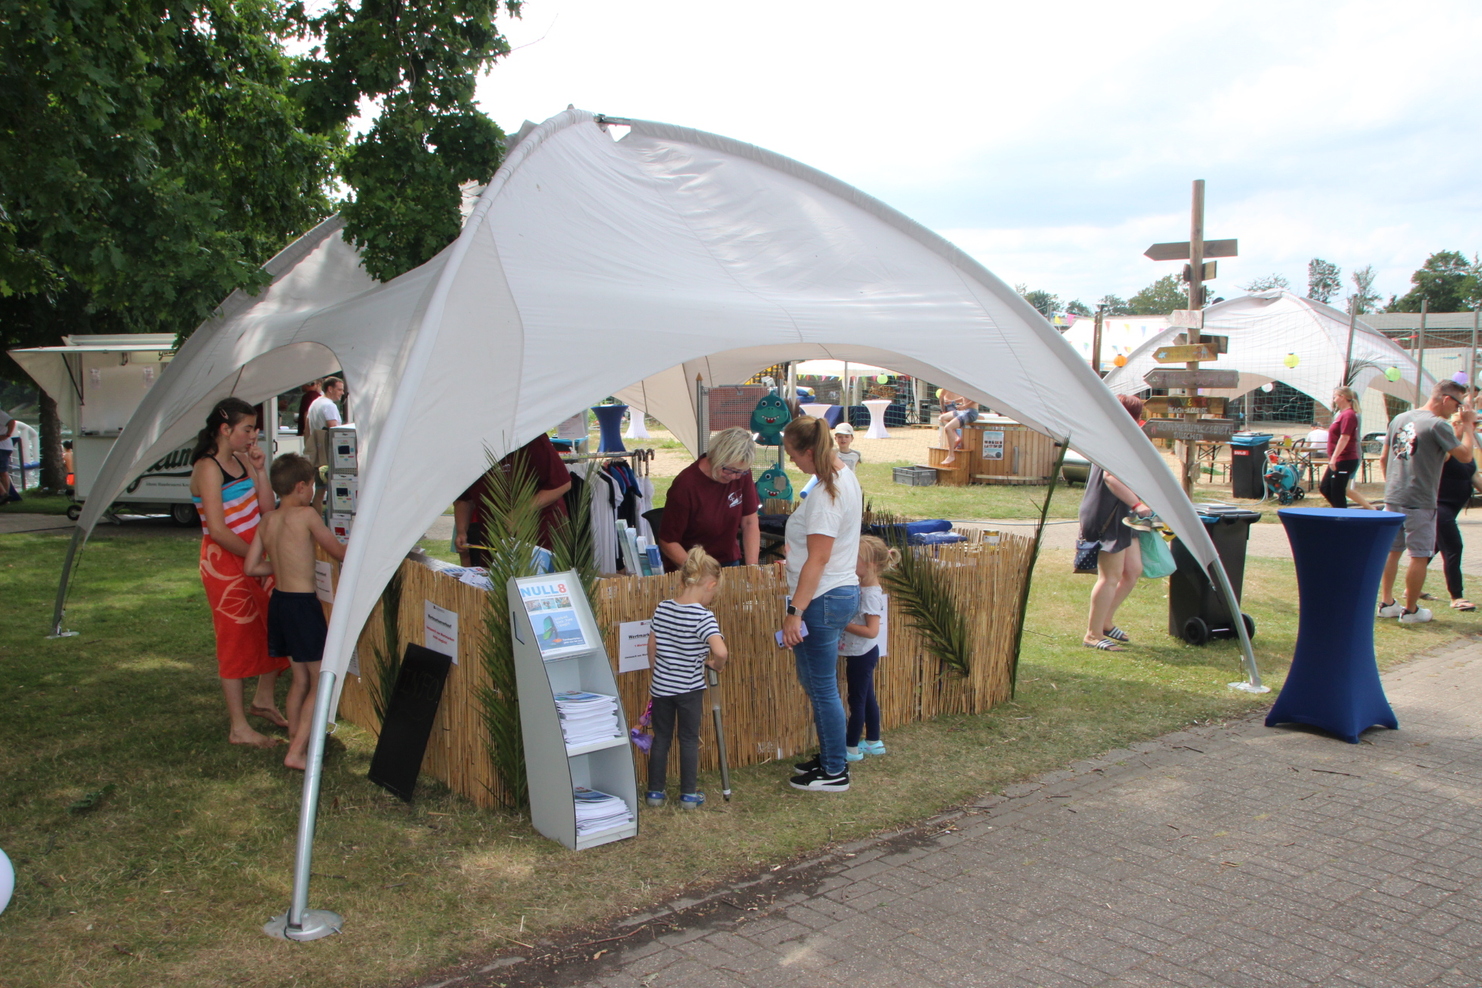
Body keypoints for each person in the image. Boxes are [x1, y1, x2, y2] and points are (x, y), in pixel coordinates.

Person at [188, 397, 289, 747]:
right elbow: (217, 530)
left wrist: (260, 471)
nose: (253, 435)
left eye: (255, 429)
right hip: (228, 562)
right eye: (247, 429)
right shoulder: (208, 468)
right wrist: (257, 559)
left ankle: (263, 700)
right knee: (234, 637)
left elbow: (265, 509)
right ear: (225, 429)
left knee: (272, 626)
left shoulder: (243, 460)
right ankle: (238, 727)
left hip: (253, 554)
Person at [243, 454, 348, 769]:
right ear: (302, 487)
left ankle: (295, 737)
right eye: (313, 487)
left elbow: (250, 567)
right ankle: (297, 751)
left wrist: (277, 565)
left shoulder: (268, 520)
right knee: (318, 681)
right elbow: (338, 550)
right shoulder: (306, 516)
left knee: (299, 679)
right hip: (303, 605)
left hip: (280, 603)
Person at [781, 416, 862, 792]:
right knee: (817, 683)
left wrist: (794, 612)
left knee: (822, 686)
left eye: (794, 456)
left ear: (810, 452)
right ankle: (832, 754)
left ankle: (834, 771)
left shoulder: (826, 495)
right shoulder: (842, 475)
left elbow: (819, 558)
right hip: (838, 592)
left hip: (822, 597)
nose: (793, 463)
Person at [1378, 380, 1476, 624]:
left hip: (1393, 497)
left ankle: (1386, 602)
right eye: (1458, 403)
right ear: (1446, 399)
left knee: (1392, 552)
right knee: (1419, 555)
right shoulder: (1437, 424)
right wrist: (1468, 427)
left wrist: (1393, 484)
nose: (1457, 409)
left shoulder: (1400, 418)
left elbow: (1384, 457)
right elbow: (1465, 456)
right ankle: (1411, 610)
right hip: (1420, 500)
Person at [643, 547, 728, 809]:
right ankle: (688, 795)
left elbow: (651, 645)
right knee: (689, 739)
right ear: (710, 584)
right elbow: (721, 650)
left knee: (661, 738)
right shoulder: (703, 617)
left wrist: (655, 670)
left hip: (662, 687)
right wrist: (717, 665)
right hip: (689, 689)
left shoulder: (663, 608)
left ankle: (655, 793)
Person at [1079, 394, 1150, 652]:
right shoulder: (1116, 439)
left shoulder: (1121, 437)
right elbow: (1111, 478)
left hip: (1122, 513)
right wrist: (1138, 505)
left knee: (1132, 571)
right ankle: (1093, 634)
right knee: (1110, 576)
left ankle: (1106, 623)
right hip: (1109, 512)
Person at [455, 433, 572, 566]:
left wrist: (519, 514)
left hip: (540, 540)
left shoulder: (530, 437)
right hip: (494, 541)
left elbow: (561, 484)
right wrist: (461, 531)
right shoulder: (468, 447)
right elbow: (464, 499)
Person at [657, 426, 760, 571]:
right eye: (729, 470)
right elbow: (668, 541)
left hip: (728, 560)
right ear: (715, 457)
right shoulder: (686, 485)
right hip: (692, 565)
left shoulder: (742, 474)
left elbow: (749, 522)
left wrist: (752, 566)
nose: (733, 477)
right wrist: (698, 572)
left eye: (740, 473)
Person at [839, 535, 898, 762]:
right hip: (860, 652)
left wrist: (843, 623)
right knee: (867, 697)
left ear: (871, 564)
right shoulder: (862, 585)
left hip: (861, 653)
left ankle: (851, 748)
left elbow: (872, 631)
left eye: (856, 559)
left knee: (858, 701)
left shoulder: (871, 594)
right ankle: (873, 741)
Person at [303, 377, 345, 508]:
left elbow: (307, 428)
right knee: (332, 490)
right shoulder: (329, 405)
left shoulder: (315, 403)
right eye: (339, 389)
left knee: (319, 491)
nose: (342, 393)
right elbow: (333, 428)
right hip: (329, 453)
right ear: (330, 389)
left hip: (317, 451)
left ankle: (317, 519)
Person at [1319, 387, 1362, 509]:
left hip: (1345, 459)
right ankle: (1340, 512)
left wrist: (1334, 457)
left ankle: (1343, 517)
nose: (1334, 399)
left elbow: (1345, 437)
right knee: (1325, 488)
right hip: (1339, 459)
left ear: (1342, 397)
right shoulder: (1342, 414)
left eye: (1336, 396)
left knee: (1337, 492)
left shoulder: (1349, 415)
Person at [937, 390, 978, 465]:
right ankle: (956, 437)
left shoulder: (974, 387)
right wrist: (952, 401)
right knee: (941, 417)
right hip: (964, 411)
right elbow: (964, 398)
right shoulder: (965, 386)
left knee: (948, 427)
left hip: (970, 412)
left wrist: (964, 406)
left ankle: (951, 455)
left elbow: (977, 400)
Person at [0, 407, 18, 502]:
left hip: (2, 447)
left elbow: (11, 422)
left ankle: (4, 494)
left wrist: (7, 435)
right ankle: (5, 495)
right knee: (3, 472)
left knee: (3, 472)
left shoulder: (1, 414)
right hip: (4, 447)